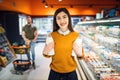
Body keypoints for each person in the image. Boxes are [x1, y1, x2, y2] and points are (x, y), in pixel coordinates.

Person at [42, 8, 84, 80]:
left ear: (68, 18)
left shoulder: (76, 35)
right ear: (56, 21)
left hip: (71, 74)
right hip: (54, 73)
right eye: (58, 18)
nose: (62, 21)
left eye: (64, 17)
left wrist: (79, 53)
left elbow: (81, 56)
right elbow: (46, 54)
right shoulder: (51, 35)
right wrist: (45, 51)